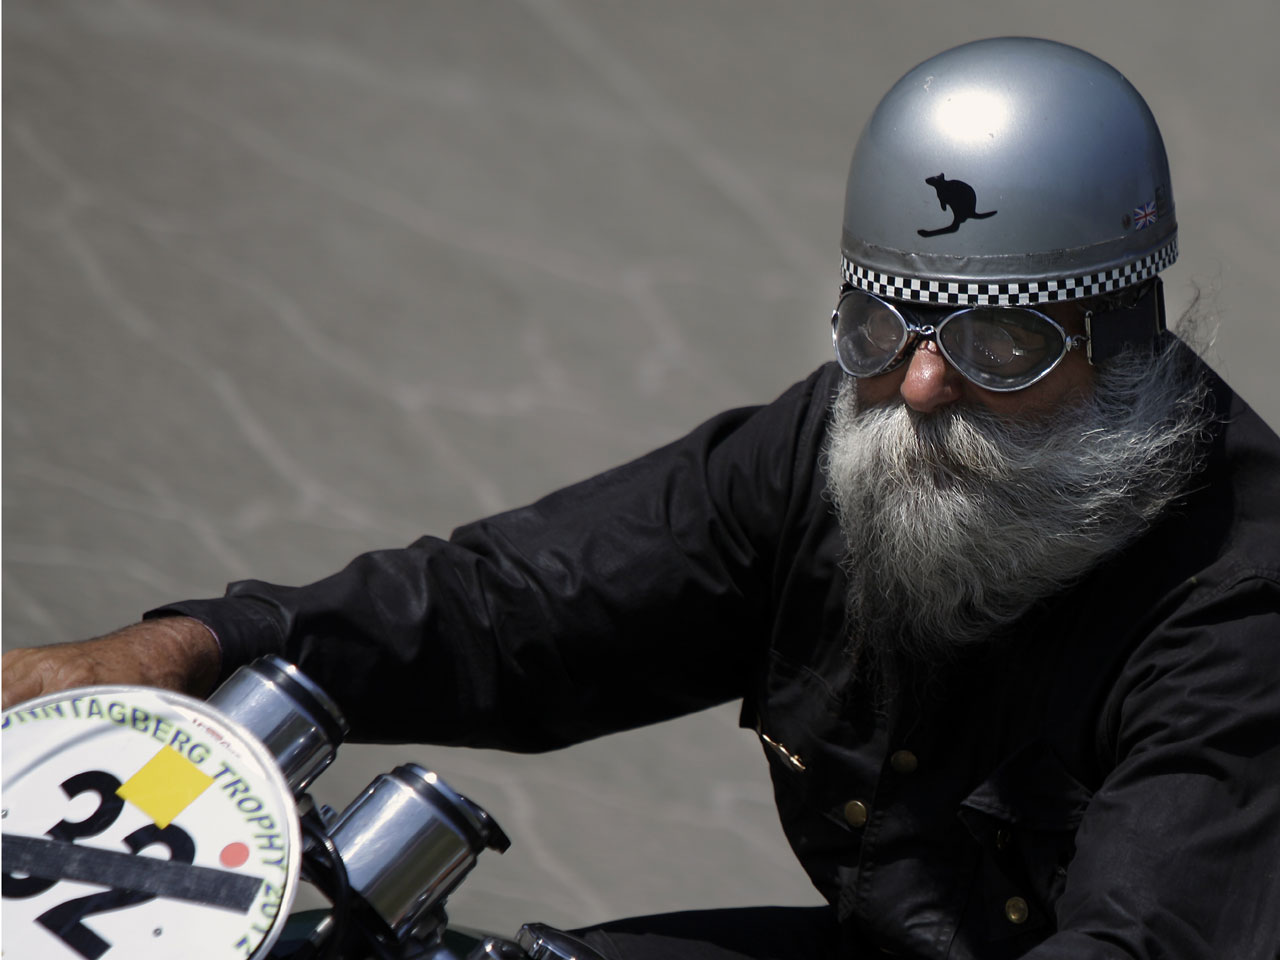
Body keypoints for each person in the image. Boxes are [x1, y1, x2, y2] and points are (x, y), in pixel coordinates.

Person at [4, 36, 1279, 960]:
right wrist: (191, 646)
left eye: (1006, 350)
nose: (926, 384)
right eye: (883, 322)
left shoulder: (1241, 606)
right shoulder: (849, 444)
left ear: (1120, 341)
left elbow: (1143, 943)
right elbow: (519, 605)